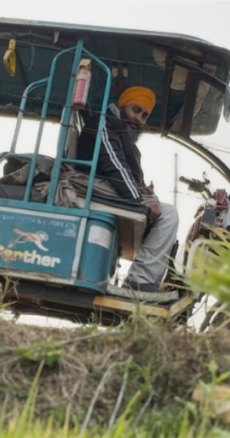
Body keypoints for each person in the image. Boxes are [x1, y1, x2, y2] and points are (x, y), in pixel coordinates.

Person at [75, 86, 179, 292]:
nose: (139, 118)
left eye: (144, 115)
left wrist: (144, 192)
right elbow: (114, 165)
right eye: (136, 110)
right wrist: (140, 203)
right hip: (92, 187)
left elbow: (129, 175)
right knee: (167, 215)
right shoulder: (105, 123)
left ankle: (143, 278)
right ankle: (140, 281)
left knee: (163, 211)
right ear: (122, 106)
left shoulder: (128, 142)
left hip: (110, 189)